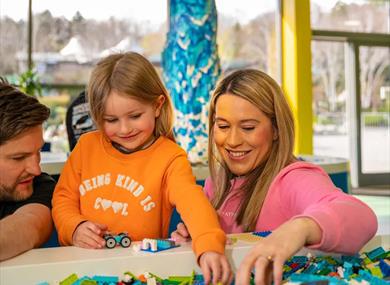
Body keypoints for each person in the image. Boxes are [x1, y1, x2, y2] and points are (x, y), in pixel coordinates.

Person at [171, 69, 378, 285]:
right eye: (223, 126)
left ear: (276, 129)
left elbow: (362, 218)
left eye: (248, 127)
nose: (232, 140)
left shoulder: (295, 178)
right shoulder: (217, 183)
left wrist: (301, 228)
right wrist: (199, 235)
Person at [52, 52, 231, 284]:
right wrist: (74, 228)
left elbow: (193, 201)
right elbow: (63, 198)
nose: (124, 129)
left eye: (135, 116)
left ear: (157, 105)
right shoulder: (86, 147)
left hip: (142, 270)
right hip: (82, 265)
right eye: (111, 120)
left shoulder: (170, 157)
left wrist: (209, 246)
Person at [0, 78, 55, 261]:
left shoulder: (40, 185)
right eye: (19, 158)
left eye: (38, 152)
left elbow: (29, 226)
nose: (36, 169)